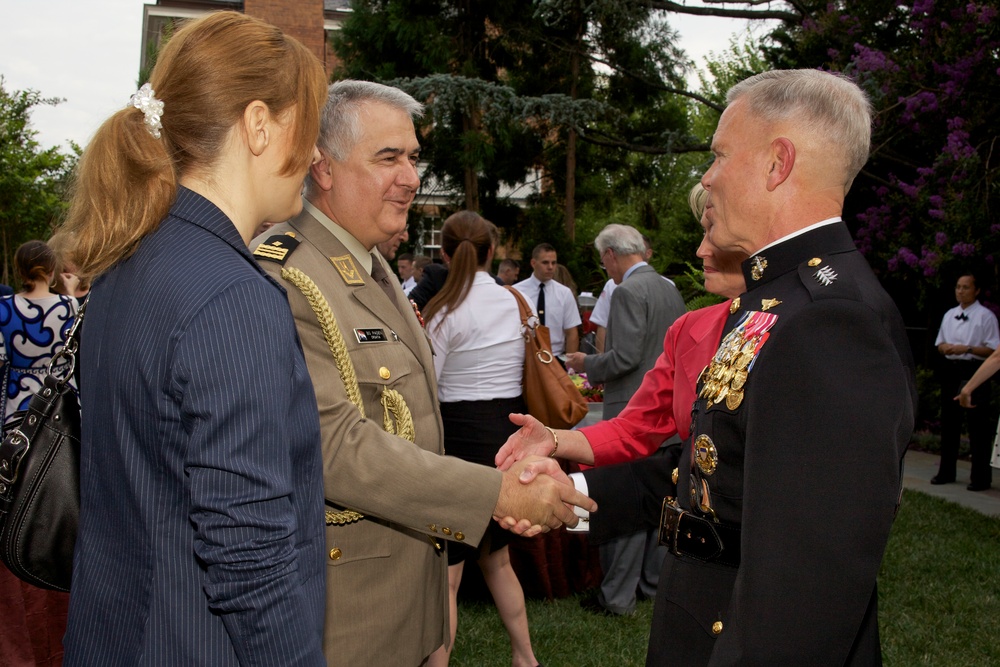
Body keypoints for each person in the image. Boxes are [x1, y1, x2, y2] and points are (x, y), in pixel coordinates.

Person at [510, 69, 918, 665]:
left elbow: (805, 591)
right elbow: (714, 463)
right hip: (699, 613)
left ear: (777, 163)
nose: (707, 176)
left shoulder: (831, 320)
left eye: (721, 155)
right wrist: (572, 492)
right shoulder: (779, 301)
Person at [251, 80, 594, 667]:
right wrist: (495, 494)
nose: (411, 177)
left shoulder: (371, 265)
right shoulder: (287, 275)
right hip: (343, 613)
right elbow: (332, 445)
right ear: (323, 167)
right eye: (389, 158)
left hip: (402, 594)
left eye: (413, 157)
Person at [52, 12, 332, 665]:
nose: (316, 154)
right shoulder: (232, 296)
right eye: (309, 126)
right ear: (259, 125)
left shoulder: (129, 261)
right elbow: (250, 558)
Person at [423, 211, 540, 667]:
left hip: (457, 439)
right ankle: (525, 658)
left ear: (445, 253)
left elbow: (428, 385)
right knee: (497, 561)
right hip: (505, 436)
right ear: (492, 252)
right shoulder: (515, 301)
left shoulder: (443, 311)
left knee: (448, 574)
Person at [564, 224, 686, 617]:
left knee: (627, 506)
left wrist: (587, 363)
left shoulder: (627, 291)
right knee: (658, 501)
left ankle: (617, 596)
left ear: (611, 255)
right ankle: (652, 583)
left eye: (604, 260)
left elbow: (626, 357)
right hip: (668, 413)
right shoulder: (668, 288)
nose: (606, 268)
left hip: (635, 412)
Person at [0, 240, 78, 666]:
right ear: (51, 268)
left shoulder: (3, 309)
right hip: (57, 416)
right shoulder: (68, 309)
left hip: (15, 415)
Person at [0, 240, 79, 428]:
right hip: (61, 400)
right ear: (52, 270)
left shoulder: (4, 307)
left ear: (20, 271)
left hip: (19, 400)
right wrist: (70, 292)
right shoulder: (69, 304)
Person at [931, 272, 998, 491]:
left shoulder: (986, 316)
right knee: (949, 424)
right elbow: (939, 343)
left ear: (976, 290)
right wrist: (946, 348)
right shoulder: (950, 314)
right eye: (958, 287)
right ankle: (946, 471)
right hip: (951, 370)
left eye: (966, 287)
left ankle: (980, 478)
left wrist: (967, 348)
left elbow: (993, 350)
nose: (960, 291)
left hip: (975, 370)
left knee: (978, 427)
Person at [513, 244, 581, 357]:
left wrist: (569, 364)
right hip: (525, 357)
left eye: (553, 263)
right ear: (533, 263)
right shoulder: (517, 292)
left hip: (555, 356)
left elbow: (572, 332)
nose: (550, 267)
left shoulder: (564, 293)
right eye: (545, 263)